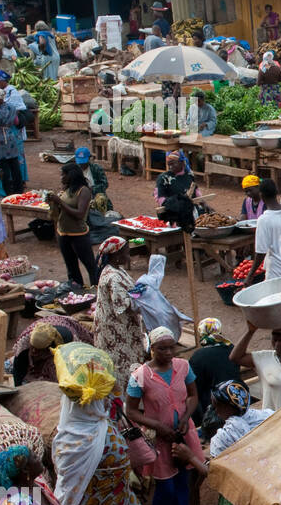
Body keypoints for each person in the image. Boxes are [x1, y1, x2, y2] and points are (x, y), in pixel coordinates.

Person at [52, 353, 148, 505]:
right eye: (101, 398)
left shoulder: (99, 420)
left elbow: (115, 396)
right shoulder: (74, 437)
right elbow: (69, 479)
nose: (106, 401)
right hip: (94, 504)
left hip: (117, 495)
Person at [126, 327, 205, 505]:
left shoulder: (183, 367)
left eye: (172, 347)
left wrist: (186, 417)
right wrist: (158, 426)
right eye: (162, 348)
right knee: (166, 488)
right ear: (151, 349)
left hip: (183, 433)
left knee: (183, 483)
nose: (169, 352)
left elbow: (193, 396)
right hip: (159, 439)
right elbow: (131, 411)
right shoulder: (140, 376)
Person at [93, 236, 147, 383]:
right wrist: (146, 299)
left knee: (129, 362)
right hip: (116, 331)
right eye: (126, 252)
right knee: (122, 365)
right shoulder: (113, 277)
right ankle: (126, 399)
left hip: (118, 327)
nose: (129, 255)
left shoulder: (116, 270)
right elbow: (125, 305)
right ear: (116, 255)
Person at [230, 323, 281, 411]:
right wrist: (250, 331)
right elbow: (235, 357)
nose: (277, 344)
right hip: (271, 417)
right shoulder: (264, 357)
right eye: (275, 340)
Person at [47, 163, 99, 288]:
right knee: (71, 267)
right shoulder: (66, 189)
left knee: (90, 266)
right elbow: (59, 212)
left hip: (78, 235)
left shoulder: (84, 191)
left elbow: (80, 214)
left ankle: (96, 289)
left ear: (71, 175)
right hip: (63, 233)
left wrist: (59, 202)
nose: (61, 177)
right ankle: (77, 289)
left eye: (63, 175)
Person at [245, 178, 281, 284]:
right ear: (276, 192)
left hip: (276, 271)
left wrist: (250, 275)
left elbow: (260, 253)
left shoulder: (264, 219)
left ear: (261, 195)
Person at [188, 318, 241, 426]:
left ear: (201, 333)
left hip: (214, 406)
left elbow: (196, 388)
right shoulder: (232, 348)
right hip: (236, 397)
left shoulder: (198, 356)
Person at [10, 320, 76, 386]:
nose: (34, 351)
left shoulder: (63, 341)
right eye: (33, 348)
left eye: (38, 350)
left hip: (67, 329)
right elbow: (18, 365)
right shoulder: (25, 341)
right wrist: (18, 386)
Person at [0, 88, 24, 195]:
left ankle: (6, 191)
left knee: (2, 167)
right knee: (14, 165)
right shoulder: (12, 107)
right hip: (11, 138)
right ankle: (19, 189)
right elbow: (16, 121)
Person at [154, 151, 199, 228]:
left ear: (182, 163)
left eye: (173, 164)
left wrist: (203, 203)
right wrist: (175, 204)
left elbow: (196, 192)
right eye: (169, 164)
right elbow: (160, 199)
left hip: (190, 210)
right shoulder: (163, 178)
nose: (170, 167)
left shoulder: (189, 175)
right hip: (172, 212)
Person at [72, 146, 110, 213]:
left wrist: (92, 189)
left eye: (84, 162)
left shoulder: (96, 168)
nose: (81, 164)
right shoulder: (74, 170)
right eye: (80, 162)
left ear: (89, 158)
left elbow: (105, 184)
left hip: (96, 196)